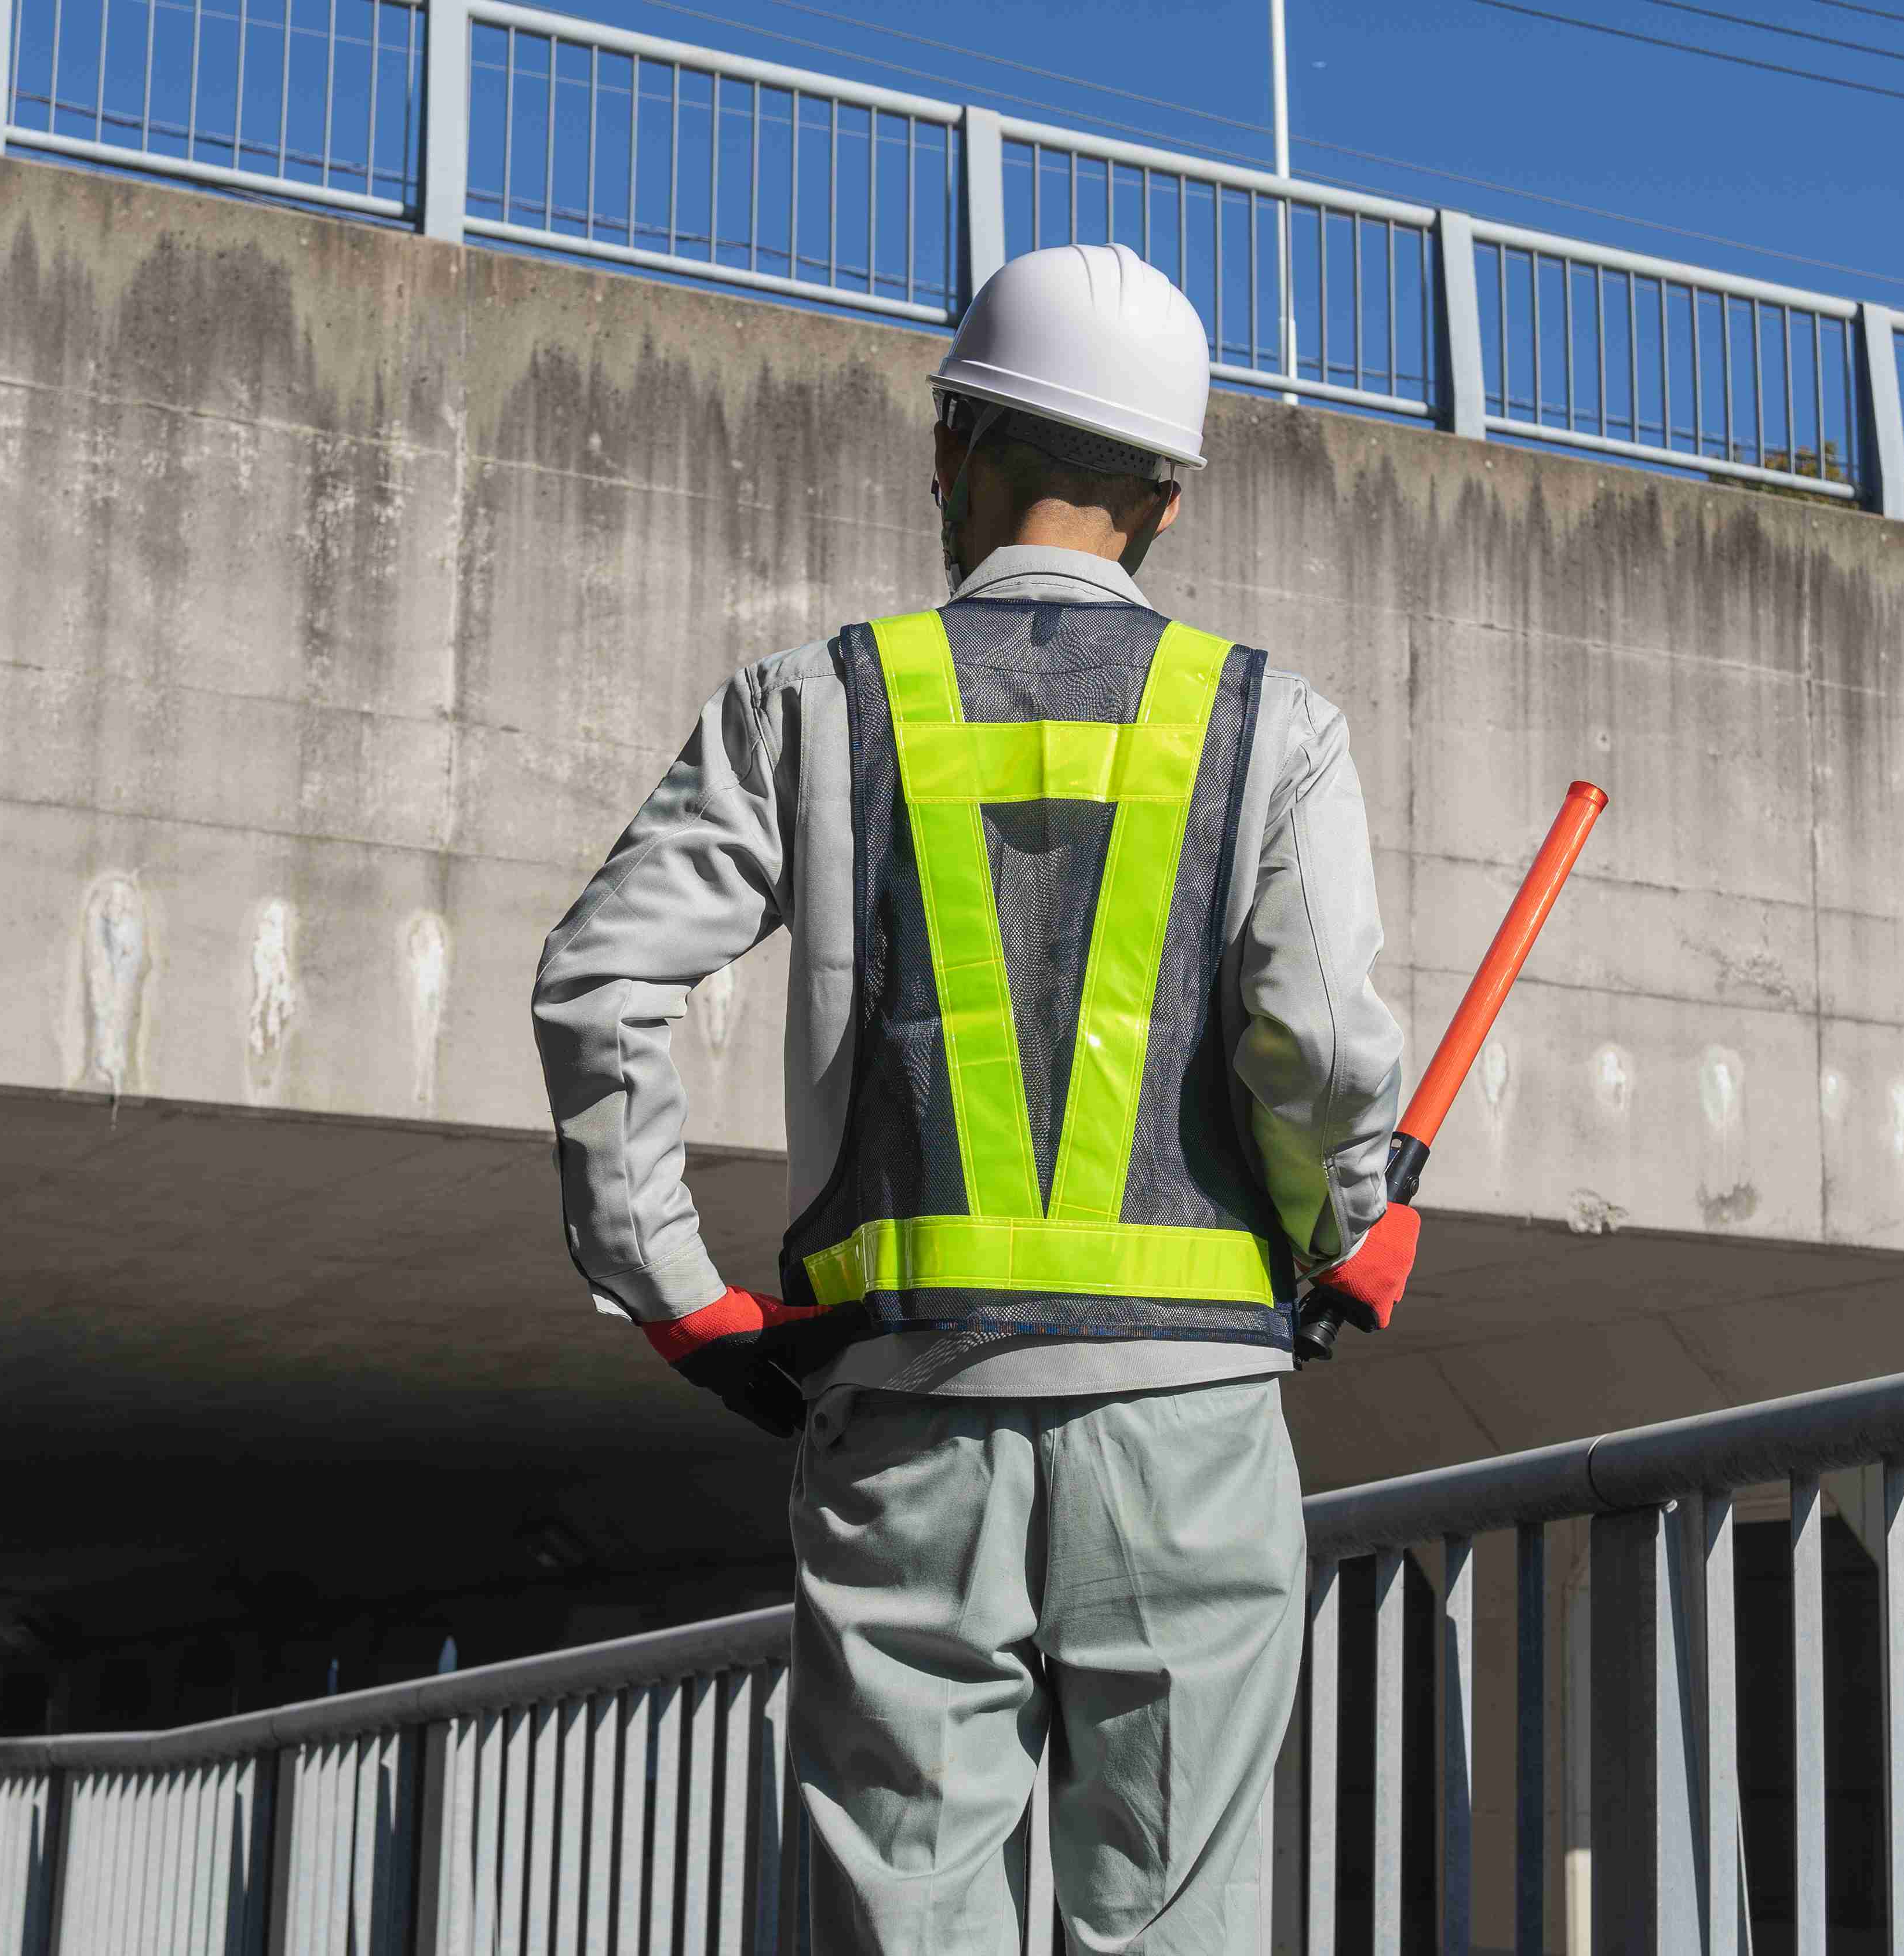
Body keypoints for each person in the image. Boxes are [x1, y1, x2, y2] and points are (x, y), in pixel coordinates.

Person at [531, 242, 1414, 1955]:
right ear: (1167, 496)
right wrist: (1352, 1225)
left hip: (901, 1419)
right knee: (1172, 1921)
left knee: (908, 1913)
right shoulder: (1269, 725)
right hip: (1190, 1434)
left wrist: (675, 1293)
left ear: (952, 449)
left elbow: (599, 982)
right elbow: (1313, 1043)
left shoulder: (816, 701)